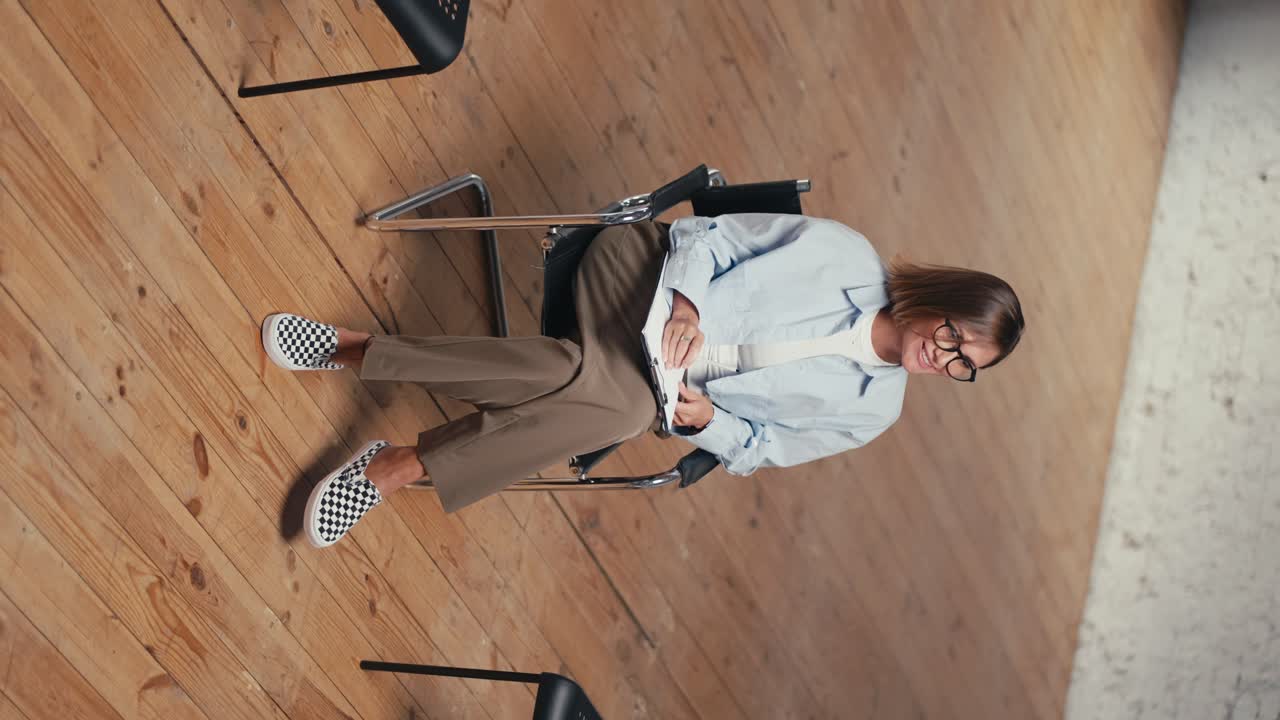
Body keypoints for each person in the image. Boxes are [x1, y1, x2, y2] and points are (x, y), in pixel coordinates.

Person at [263, 214, 1024, 548]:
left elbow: (759, 448)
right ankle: (396, 467)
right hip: (643, 278)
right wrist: (688, 301)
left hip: (658, 387)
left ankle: (362, 353)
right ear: (943, 301)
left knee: (591, 389)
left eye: (962, 366)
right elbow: (708, 236)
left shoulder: (873, 412)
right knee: (608, 408)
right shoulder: (847, 256)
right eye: (954, 334)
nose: (943, 355)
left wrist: (705, 422)